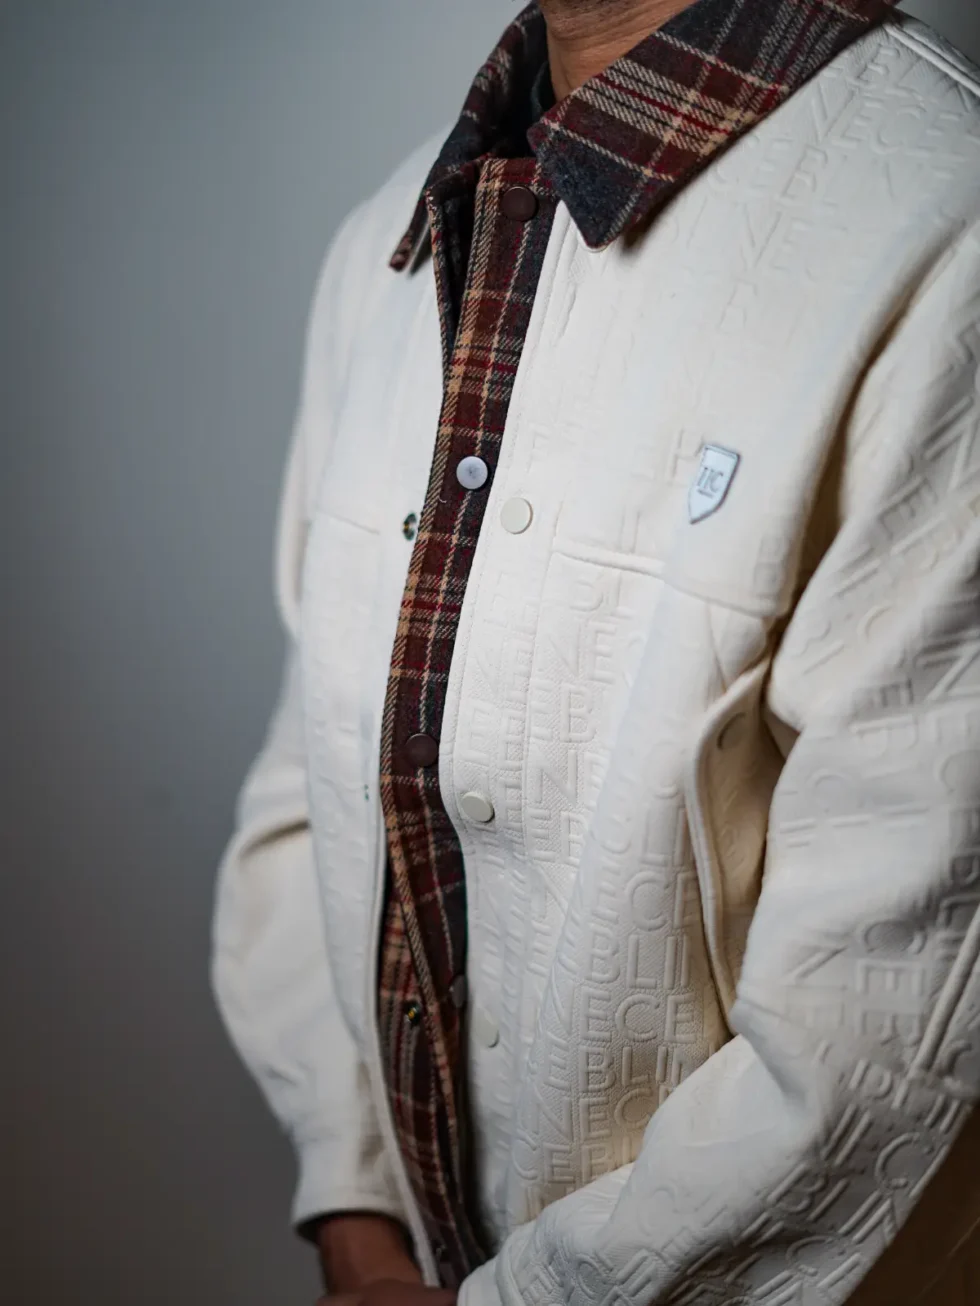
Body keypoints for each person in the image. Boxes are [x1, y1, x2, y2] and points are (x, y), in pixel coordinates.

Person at [212, 1, 980, 1303]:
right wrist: (353, 1203)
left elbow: (892, 1045)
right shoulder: (388, 241)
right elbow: (311, 789)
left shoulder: (944, 237)